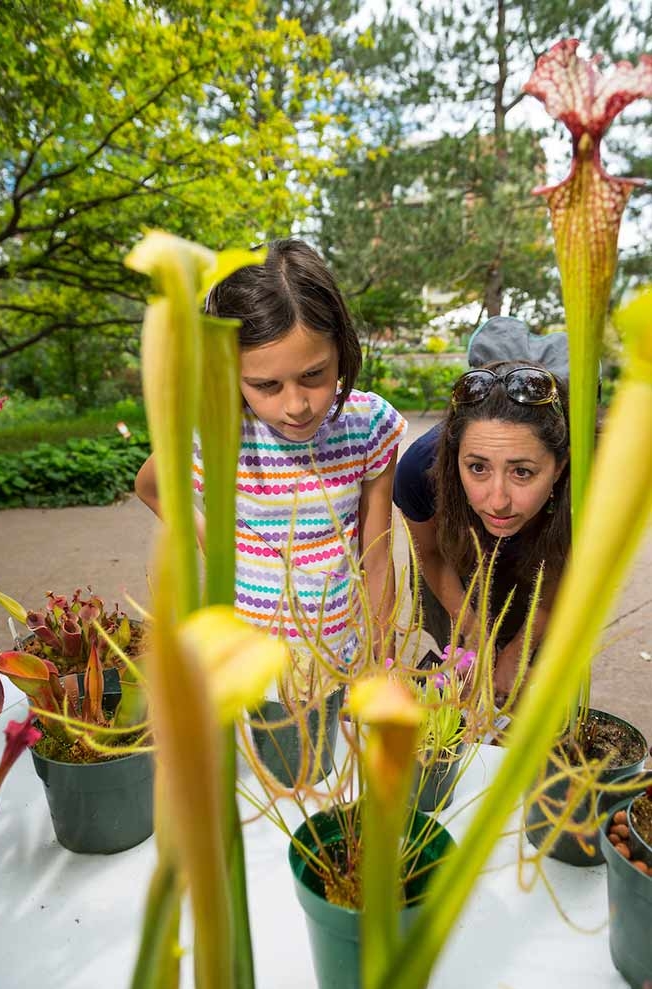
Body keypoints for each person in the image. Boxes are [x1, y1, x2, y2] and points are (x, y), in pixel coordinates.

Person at [136, 238, 407, 665]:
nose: (296, 406)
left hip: (340, 662)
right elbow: (151, 486)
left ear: (341, 347)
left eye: (314, 374)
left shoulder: (368, 425)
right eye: (266, 386)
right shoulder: (217, 428)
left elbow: (376, 558)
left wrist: (383, 664)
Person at [394, 318, 571, 700]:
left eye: (522, 472)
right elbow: (431, 555)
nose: (497, 501)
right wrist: (475, 634)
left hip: (542, 570)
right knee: (461, 677)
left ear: (560, 466)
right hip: (454, 571)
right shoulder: (419, 469)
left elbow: (561, 572)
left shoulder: (589, 483)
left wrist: (517, 651)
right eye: (477, 468)